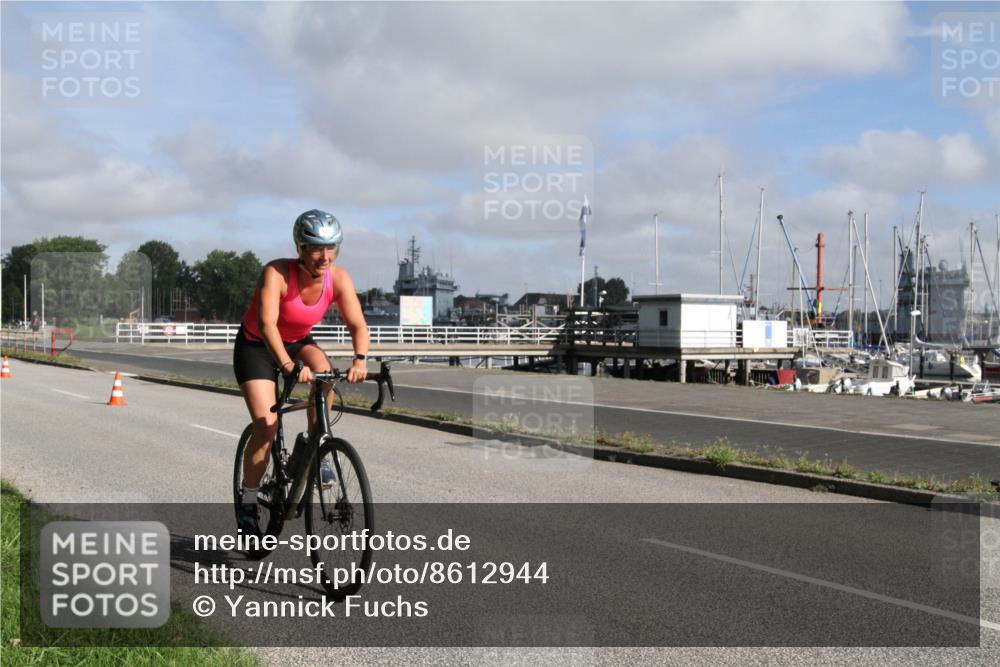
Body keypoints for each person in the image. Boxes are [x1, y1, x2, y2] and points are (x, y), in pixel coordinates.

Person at [233, 209, 369, 535]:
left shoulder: (339, 278)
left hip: (298, 342)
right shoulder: (277, 273)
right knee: (266, 425)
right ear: (300, 247)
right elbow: (266, 325)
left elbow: (357, 324)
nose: (325, 257)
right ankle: (249, 500)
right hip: (258, 347)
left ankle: (315, 446)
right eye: (316, 248)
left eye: (331, 247)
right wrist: (287, 367)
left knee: (326, 373)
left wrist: (360, 360)